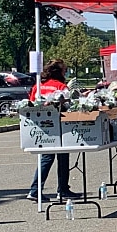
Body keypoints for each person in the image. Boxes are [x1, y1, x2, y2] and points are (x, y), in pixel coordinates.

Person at [26, 59, 81, 202]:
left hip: (40, 126)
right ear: (60, 72)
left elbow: (31, 105)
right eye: (65, 70)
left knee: (46, 157)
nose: (66, 73)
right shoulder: (61, 86)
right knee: (61, 157)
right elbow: (70, 106)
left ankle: (39, 189)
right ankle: (58, 189)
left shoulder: (38, 86)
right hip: (60, 124)